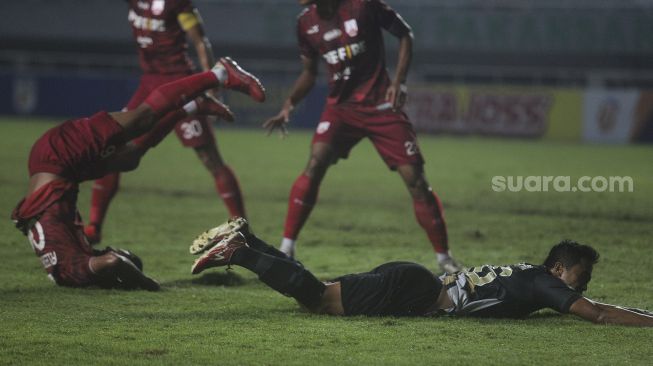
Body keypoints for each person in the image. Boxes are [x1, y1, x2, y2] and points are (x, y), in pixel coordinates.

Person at [11, 59, 265, 290]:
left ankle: (220, 74)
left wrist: (149, 285)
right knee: (129, 158)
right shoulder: (67, 262)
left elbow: (112, 262)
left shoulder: (75, 273)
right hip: (56, 168)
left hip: (60, 158)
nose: (122, 254)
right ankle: (190, 107)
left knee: (141, 119)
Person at [263, 0, 460, 272]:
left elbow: (405, 34)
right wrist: (289, 104)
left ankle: (445, 259)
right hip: (340, 109)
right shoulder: (305, 23)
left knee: (416, 181)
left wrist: (399, 81)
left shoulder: (363, 6)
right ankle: (286, 248)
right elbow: (309, 72)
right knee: (315, 163)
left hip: (380, 105)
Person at [190, 217, 653, 326]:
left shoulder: (528, 274)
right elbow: (596, 313)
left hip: (413, 281)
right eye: (580, 274)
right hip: (418, 292)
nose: (584, 283)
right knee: (317, 300)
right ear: (558, 268)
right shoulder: (543, 282)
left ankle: (250, 240)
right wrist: (647, 320)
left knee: (318, 290)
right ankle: (241, 252)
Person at [84, 0, 249, 244]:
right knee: (113, 149)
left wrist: (210, 82)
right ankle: (94, 227)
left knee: (210, 158)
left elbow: (199, 39)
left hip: (179, 83)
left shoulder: (176, 3)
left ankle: (243, 229)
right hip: (149, 85)